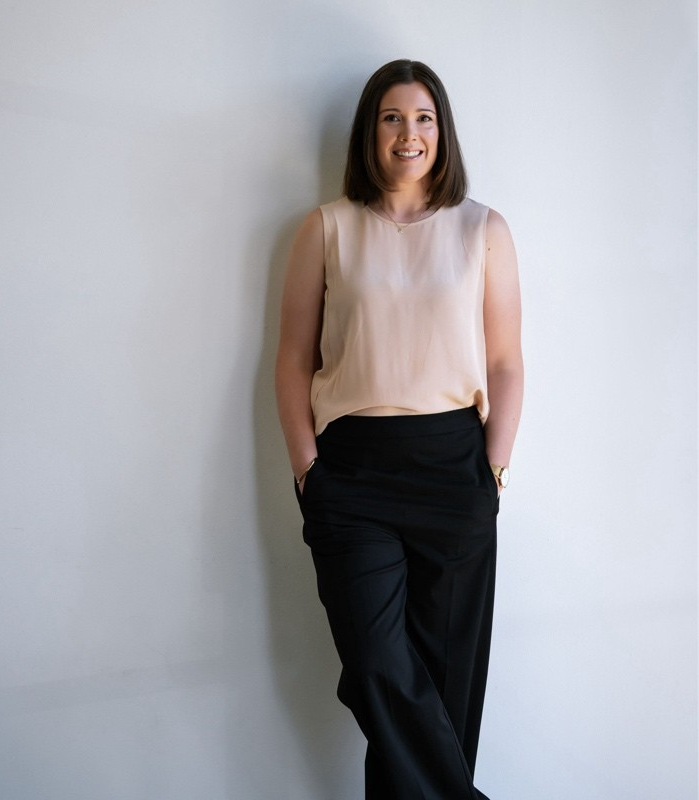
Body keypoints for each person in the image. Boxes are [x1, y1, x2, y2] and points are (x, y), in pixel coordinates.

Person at [275, 59, 523, 800]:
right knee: (379, 666)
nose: (408, 133)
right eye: (391, 117)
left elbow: (506, 362)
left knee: (444, 689)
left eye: (422, 118)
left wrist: (494, 471)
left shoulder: (483, 228)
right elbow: (291, 360)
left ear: (441, 132)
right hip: (352, 475)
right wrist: (307, 471)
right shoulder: (326, 228)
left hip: (454, 467)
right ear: (369, 131)